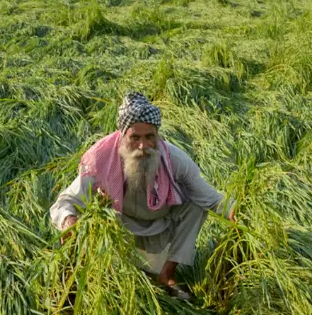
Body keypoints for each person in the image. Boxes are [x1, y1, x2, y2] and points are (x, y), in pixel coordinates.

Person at [50, 93, 235, 299]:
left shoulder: (174, 159)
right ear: (122, 136)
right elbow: (65, 202)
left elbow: (210, 197)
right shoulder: (100, 159)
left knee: (196, 204)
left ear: (158, 136)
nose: (143, 146)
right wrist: (69, 221)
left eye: (149, 137)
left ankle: (167, 275)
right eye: (135, 137)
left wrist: (236, 211)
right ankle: (92, 278)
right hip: (119, 228)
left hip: (161, 226)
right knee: (89, 213)